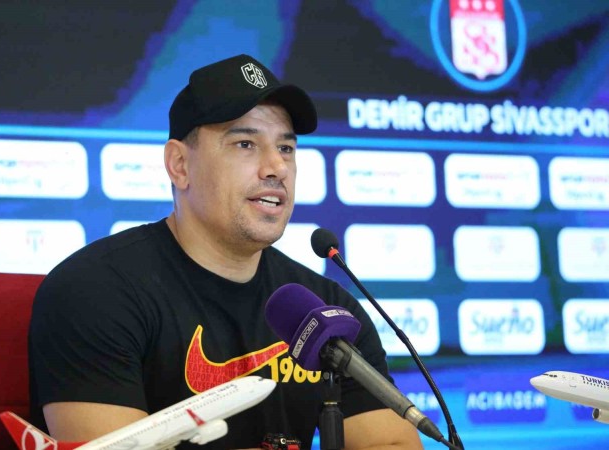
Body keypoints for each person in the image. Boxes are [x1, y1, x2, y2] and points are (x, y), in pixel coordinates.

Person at [28, 54, 423, 449]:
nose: (276, 167)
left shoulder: (326, 310)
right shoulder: (95, 290)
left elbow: (391, 444)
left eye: (286, 148)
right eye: (245, 144)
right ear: (179, 165)